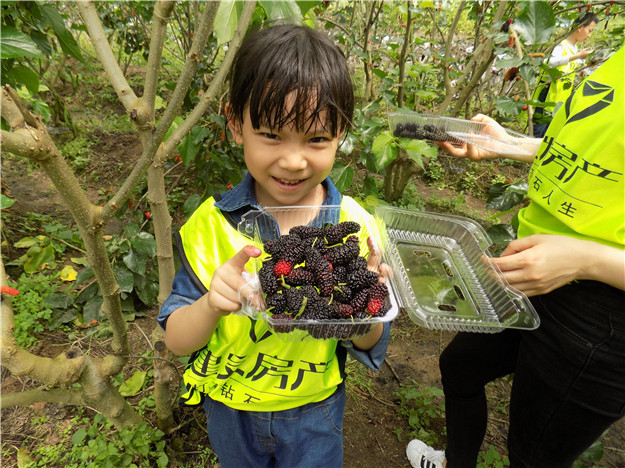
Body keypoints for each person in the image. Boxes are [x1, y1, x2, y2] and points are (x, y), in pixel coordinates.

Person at [157, 23, 391, 468]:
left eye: (317, 139)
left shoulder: (356, 229)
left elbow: (369, 340)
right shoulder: (210, 227)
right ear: (235, 123)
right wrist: (211, 305)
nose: (293, 160)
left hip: (314, 411)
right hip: (231, 407)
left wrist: (365, 306)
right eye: (271, 135)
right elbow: (177, 341)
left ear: (341, 133)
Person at [407, 43, 624, 468]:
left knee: (532, 456)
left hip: (600, 313)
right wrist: (512, 144)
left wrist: (587, 259)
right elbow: (594, 156)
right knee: (460, 368)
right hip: (534, 269)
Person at [532, 13, 598, 138]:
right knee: (537, 133)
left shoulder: (575, 49)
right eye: (589, 31)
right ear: (580, 27)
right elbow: (549, 63)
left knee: (546, 136)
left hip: (559, 101)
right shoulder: (561, 44)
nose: (589, 36)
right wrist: (577, 56)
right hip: (547, 96)